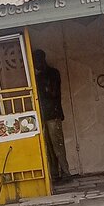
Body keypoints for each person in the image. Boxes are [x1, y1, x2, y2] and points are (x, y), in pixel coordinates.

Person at [33, 48, 72, 181]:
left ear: (42, 60)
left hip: (53, 113)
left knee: (57, 146)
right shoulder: (39, 77)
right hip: (45, 114)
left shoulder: (52, 74)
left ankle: (66, 173)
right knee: (50, 148)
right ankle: (55, 174)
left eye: (37, 61)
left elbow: (53, 93)